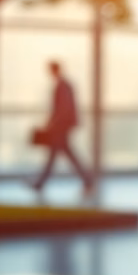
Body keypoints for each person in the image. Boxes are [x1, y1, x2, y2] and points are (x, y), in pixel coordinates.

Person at [32, 61, 94, 193]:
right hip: (62, 125)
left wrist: (52, 123)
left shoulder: (63, 86)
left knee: (56, 155)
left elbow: (62, 109)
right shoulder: (63, 84)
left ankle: (40, 183)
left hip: (62, 126)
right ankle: (87, 179)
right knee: (65, 154)